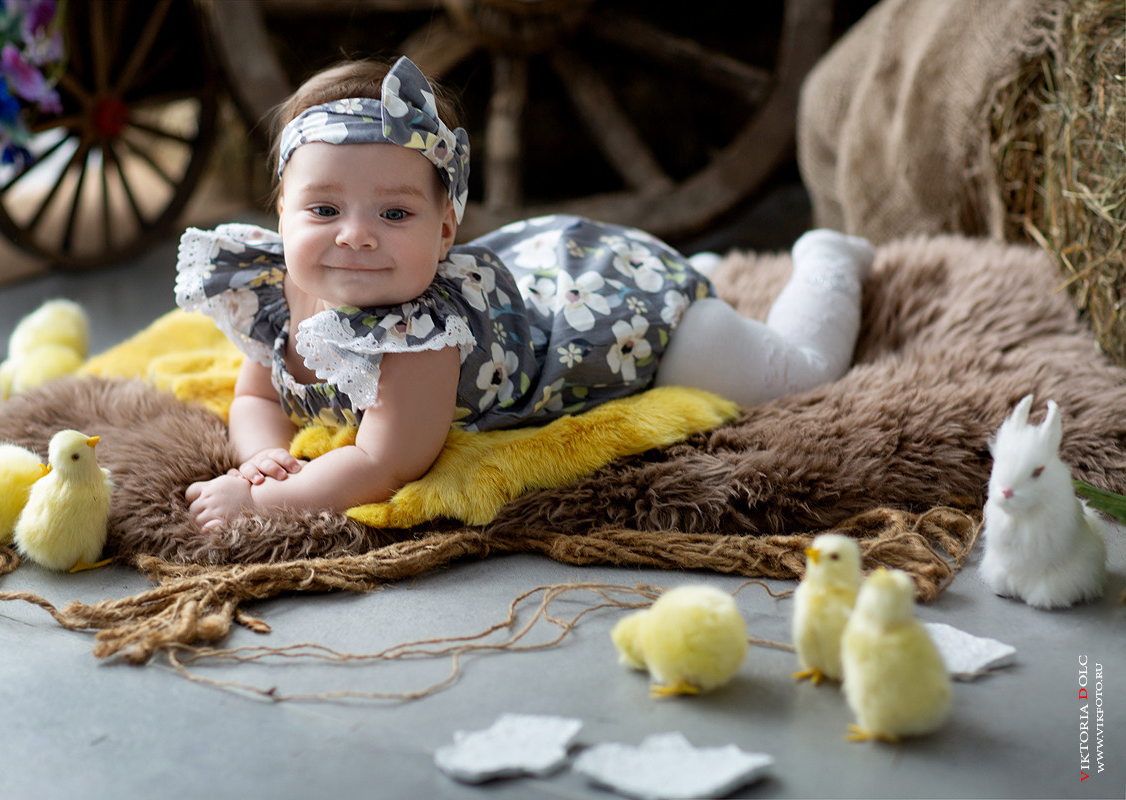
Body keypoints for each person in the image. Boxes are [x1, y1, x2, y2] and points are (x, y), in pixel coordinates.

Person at [177, 56, 874, 531]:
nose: (355, 236)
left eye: (394, 215)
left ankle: (824, 259)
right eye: (324, 211)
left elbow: (381, 464)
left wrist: (269, 504)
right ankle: (705, 272)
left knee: (796, 374)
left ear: (445, 231)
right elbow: (257, 396)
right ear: (279, 216)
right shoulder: (278, 295)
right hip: (547, 278)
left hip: (626, 324)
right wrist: (259, 456)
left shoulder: (422, 338)